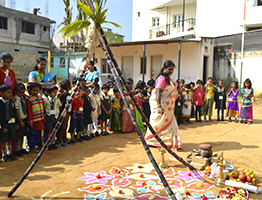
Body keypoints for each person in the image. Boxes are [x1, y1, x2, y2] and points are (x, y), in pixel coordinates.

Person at [145, 60, 182, 151]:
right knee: (156, 123)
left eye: (172, 69)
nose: (171, 71)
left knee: (171, 124)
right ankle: (152, 139)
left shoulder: (171, 79)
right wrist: (159, 106)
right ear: (164, 69)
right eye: (169, 69)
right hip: (161, 105)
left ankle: (169, 141)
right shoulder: (162, 79)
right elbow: (157, 93)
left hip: (169, 107)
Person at [0, 84, 19, 162]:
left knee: (10, 138)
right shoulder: (0, 103)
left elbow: (14, 113)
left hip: (11, 123)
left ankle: (9, 153)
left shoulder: (11, 102)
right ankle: (4, 154)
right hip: (4, 123)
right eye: (7, 92)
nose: (10, 94)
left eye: (10, 92)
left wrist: (16, 123)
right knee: (4, 140)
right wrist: (2, 126)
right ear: (1, 93)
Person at [27, 83, 45, 154]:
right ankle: (32, 147)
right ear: (30, 91)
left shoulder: (41, 98)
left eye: (37, 90)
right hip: (34, 120)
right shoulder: (29, 100)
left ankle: (40, 146)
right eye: (34, 90)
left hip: (40, 119)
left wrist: (43, 117)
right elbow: (29, 111)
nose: (36, 92)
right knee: (32, 134)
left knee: (40, 134)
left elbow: (43, 108)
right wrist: (30, 120)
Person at [43, 85, 62, 150]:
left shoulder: (57, 100)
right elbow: (43, 108)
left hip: (55, 117)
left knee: (54, 130)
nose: (55, 94)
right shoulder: (45, 100)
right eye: (54, 92)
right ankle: (48, 143)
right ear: (48, 93)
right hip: (49, 117)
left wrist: (57, 114)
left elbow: (59, 107)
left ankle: (53, 142)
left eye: (56, 92)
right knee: (49, 131)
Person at [14, 83, 29, 157]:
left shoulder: (23, 98)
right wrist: (20, 121)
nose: (22, 94)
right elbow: (17, 111)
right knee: (19, 136)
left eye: (23, 92)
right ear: (16, 92)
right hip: (20, 120)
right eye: (20, 92)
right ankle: (18, 149)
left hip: (25, 118)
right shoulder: (16, 100)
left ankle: (21, 148)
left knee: (23, 134)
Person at [57, 80, 72, 147]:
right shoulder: (63, 95)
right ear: (68, 87)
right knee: (62, 127)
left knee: (65, 126)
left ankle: (64, 138)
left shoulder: (69, 94)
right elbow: (61, 104)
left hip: (68, 112)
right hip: (64, 113)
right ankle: (59, 140)